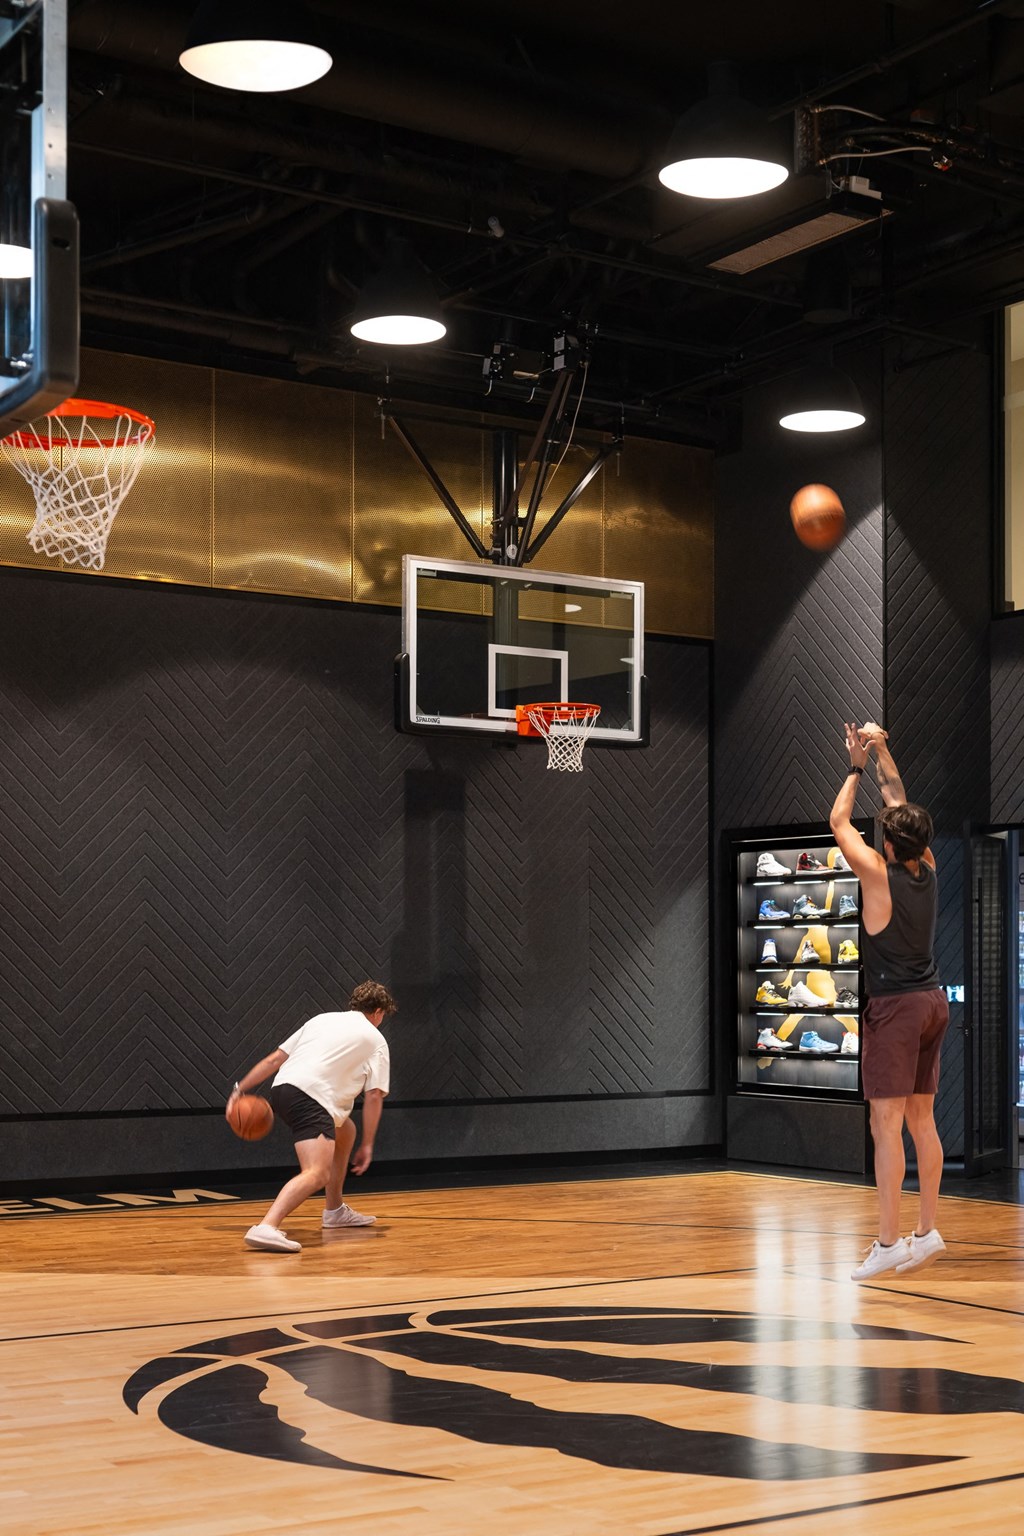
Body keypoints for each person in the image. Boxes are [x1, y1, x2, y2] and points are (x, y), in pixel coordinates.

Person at [829, 722, 949, 1282]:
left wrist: (855, 764)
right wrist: (881, 748)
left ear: (889, 844)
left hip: (897, 1009)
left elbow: (837, 823)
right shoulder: (926, 865)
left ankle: (886, 1242)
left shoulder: (876, 872)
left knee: (886, 1124)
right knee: (922, 1122)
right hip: (932, 1001)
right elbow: (898, 800)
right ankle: (926, 1232)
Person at [227, 980, 397, 1253]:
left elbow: (274, 1060)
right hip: (311, 1098)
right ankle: (266, 1227)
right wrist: (368, 1144)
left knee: (345, 1131)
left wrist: (239, 1090)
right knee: (317, 1172)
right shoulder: (376, 1039)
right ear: (378, 1012)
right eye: (382, 1016)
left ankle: (335, 1211)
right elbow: (375, 1095)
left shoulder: (321, 1020)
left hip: (282, 1091)